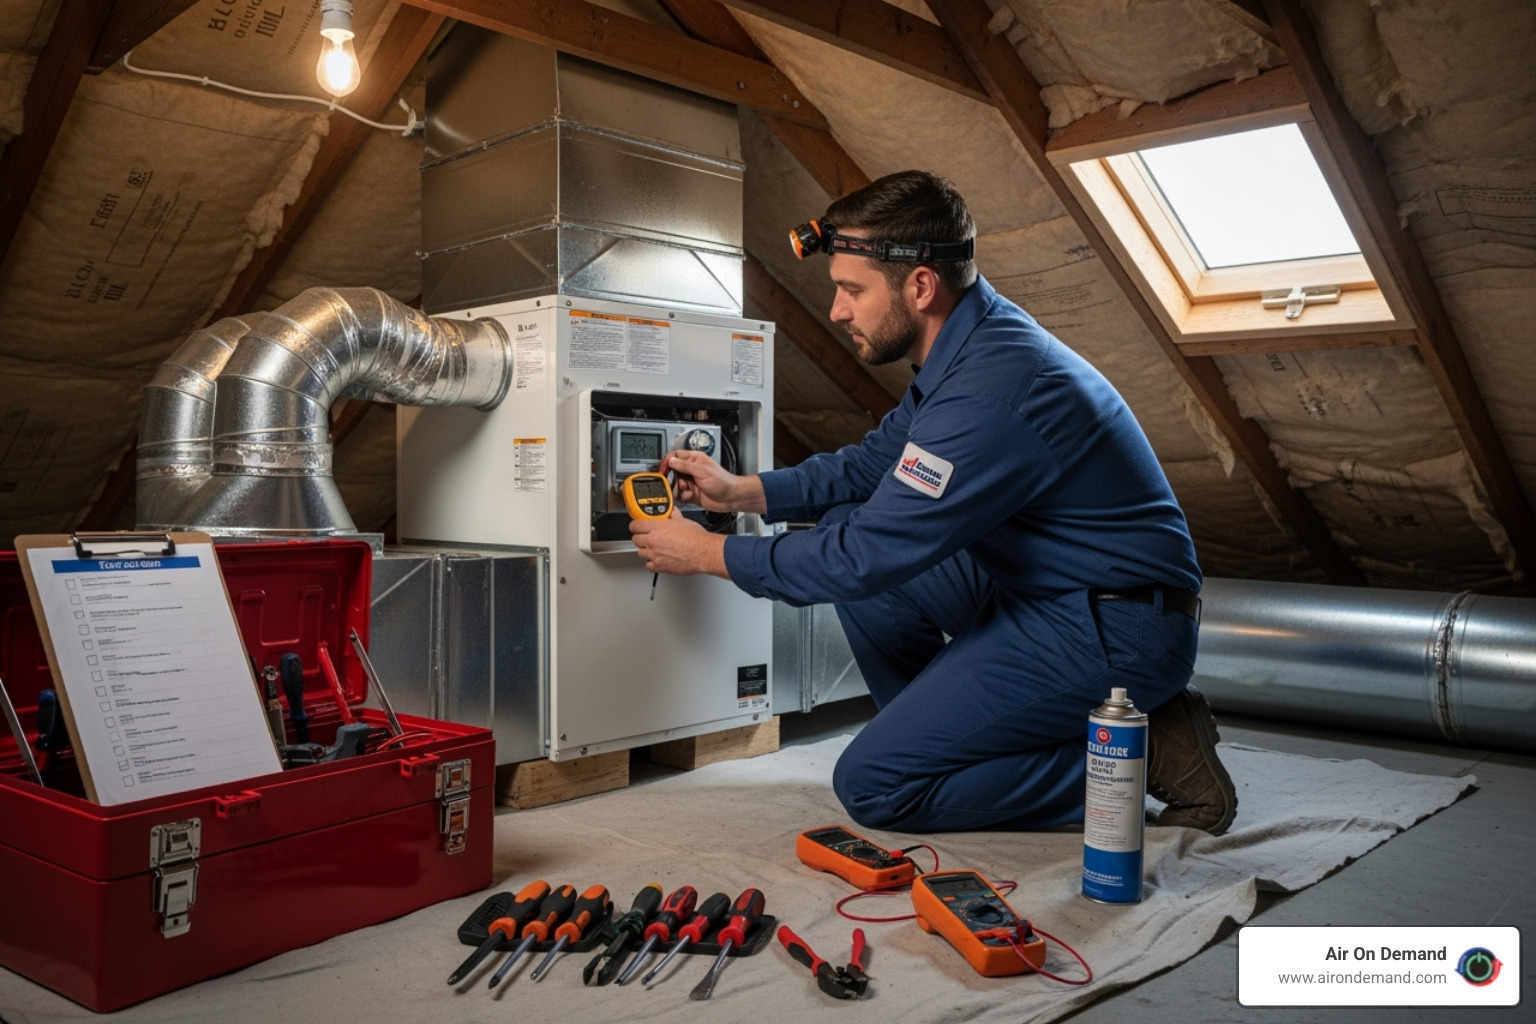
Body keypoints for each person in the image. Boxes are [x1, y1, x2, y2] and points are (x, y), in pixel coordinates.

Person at [631, 170, 1237, 836]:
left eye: (851, 290)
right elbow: (872, 464)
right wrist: (742, 490)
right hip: (1046, 589)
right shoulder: (966, 349)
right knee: (848, 535)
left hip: (1114, 629)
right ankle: (954, 739)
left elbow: (864, 559)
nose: (836, 311)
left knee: (876, 785)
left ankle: (1133, 757)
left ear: (920, 285)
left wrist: (710, 551)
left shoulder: (991, 390)